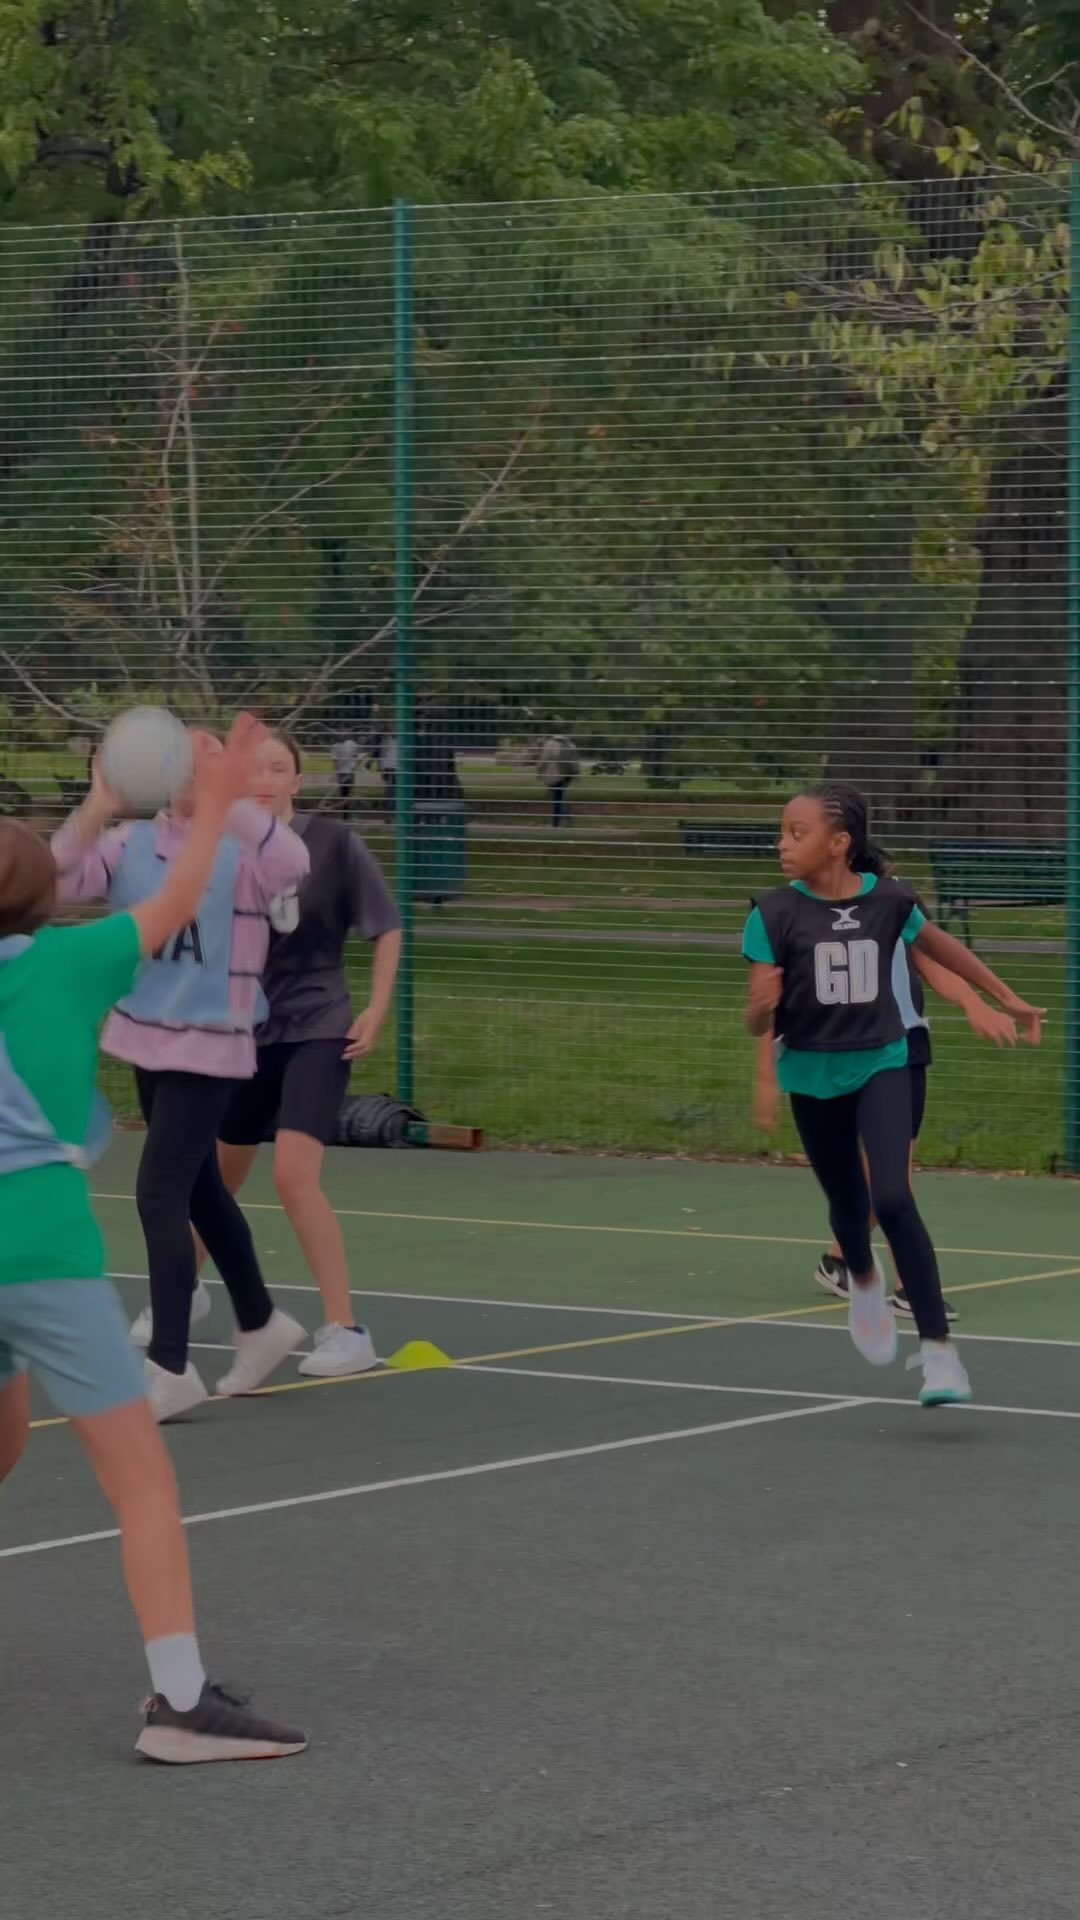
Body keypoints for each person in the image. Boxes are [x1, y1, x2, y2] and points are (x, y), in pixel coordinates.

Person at [0, 717, 306, 1761]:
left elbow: (47, 864)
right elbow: (178, 902)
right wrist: (212, 800)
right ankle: (180, 1703)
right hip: (38, 1250)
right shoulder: (64, 964)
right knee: (140, 1480)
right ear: (45, 897)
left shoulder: (54, 944)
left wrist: (98, 808)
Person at [742, 782, 1042, 1406]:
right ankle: (863, 1277)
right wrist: (757, 1016)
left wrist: (1003, 995)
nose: (782, 843)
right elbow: (755, 1018)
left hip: (883, 1058)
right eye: (782, 831)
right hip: (810, 1072)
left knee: (894, 1196)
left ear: (840, 844)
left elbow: (943, 950)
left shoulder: (891, 901)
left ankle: (940, 1357)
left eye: (797, 833)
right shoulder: (771, 913)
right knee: (848, 1210)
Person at [51, 730, 311, 1423]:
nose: (196, 776)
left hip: (212, 1045)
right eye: (186, 767)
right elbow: (52, 879)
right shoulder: (131, 845)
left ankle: (169, 1363)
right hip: (147, 1039)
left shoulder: (247, 852)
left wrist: (232, 799)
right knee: (199, 1193)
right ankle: (259, 1322)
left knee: (158, 1192)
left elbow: (294, 859)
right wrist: (98, 804)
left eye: (208, 767)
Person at [136, 731, 401, 1376]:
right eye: (253, 767)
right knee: (211, 1177)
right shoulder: (219, 846)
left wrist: (374, 1007)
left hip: (317, 1026)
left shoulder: (333, 845)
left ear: (296, 782)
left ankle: (345, 1328)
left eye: (279, 768)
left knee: (293, 1177)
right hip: (241, 1033)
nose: (265, 777)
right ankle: (184, 1293)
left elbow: (386, 925)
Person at [753, 899, 1021, 1319]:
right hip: (849, 1049)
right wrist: (765, 1075)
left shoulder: (893, 909)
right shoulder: (807, 919)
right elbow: (771, 994)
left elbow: (935, 966)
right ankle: (909, 1288)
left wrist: (975, 1004)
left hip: (906, 1047)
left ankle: (839, 1258)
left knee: (886, 1177)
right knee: (891, 1180)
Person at [537, 729, 580, 829]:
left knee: (557, 798)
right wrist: (576, 774)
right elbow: (575, 761)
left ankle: (556, 823)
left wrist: (539, 771)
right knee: (559, 796)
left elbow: (543, 760)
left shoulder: (550, 744)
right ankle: (566, 819)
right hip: (567, 775)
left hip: (554, 775)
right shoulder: (571, 744)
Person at [330, 736, 360, 814]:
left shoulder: (352, 744)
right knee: (344, 792)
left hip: (350, 771)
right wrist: (336, 773)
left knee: (349, 791)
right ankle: (345, 811)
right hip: (342, 772)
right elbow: (335, 760)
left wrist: (354, 765)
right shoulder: (336, 746)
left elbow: (356, 755)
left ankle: (348, 810)